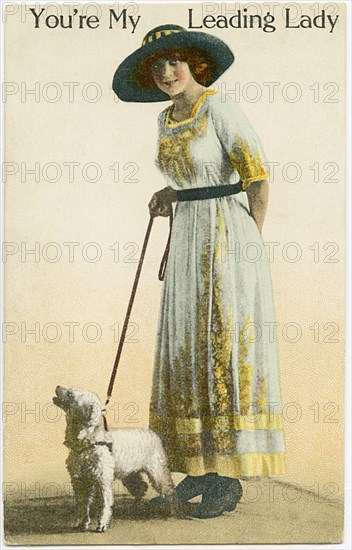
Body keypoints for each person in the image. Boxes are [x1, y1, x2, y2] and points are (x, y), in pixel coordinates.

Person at [113, 24, 286, 519]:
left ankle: (227, 480)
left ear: (195, 64)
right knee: (188, 343)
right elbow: (190, 178)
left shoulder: (220, 108)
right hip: (188, 237)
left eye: (175, 62)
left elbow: (256, 174)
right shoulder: (167, 119)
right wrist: (172, 195)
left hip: (228, 240)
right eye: (158, 67)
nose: (167, 73)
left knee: (224, 342)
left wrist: (251, 240)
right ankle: (200, 466)